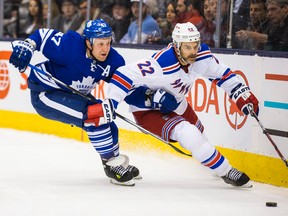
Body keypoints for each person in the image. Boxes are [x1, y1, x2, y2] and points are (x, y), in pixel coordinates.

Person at [95, 22, 259, 187]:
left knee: (199, 133)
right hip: (147, 110)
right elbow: (123, 74)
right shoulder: (161, 64)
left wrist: (240, 93)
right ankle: (227, 172)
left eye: (195, 46)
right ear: (176, 46)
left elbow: (223, 75)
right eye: (187, 47)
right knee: (189, 134)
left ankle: (214, 165)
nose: (193, 52)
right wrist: (112, 102)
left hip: (177, 102)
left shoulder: (202, 56)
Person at [9, 19, 140, 186]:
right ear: (88, 42)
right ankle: (111, 166)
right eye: (100, 44)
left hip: (71, 95)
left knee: (106, 117)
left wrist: (150, 97)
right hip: (45, 94)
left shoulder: (113, 61)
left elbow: (126, 88)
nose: (105, 49)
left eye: (108, 43)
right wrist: (27, 46)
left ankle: (113, 161)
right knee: (94, 116)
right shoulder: (69, 46)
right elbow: (42, 35)